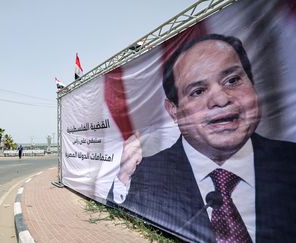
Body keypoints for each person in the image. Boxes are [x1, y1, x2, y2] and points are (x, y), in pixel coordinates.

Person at [109, 34, 296, 243]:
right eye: (198, 91)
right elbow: (120, 220)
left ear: (252, 84)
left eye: (232, 80)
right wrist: (124, 178)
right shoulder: (148, 174)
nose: (221, 99)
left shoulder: (290, 162)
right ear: (174, 111)